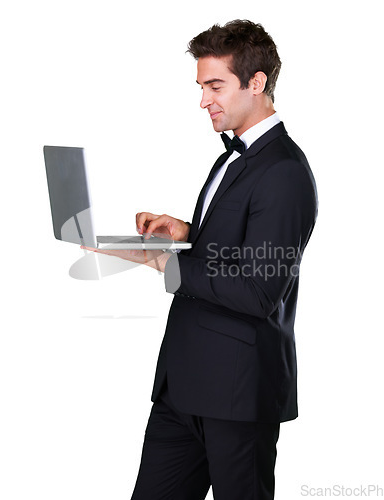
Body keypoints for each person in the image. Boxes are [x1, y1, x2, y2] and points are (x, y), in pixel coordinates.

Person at [85, 19, 317, 500]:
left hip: (236, 394)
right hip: (183, 386)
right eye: (201, 86)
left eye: (215, 85)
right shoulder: (232, 157)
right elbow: (238, 244)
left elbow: (258, 291)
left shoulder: (285, 172)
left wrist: (160, 262)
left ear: (256, 83)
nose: (204, 100)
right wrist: (186, 234)